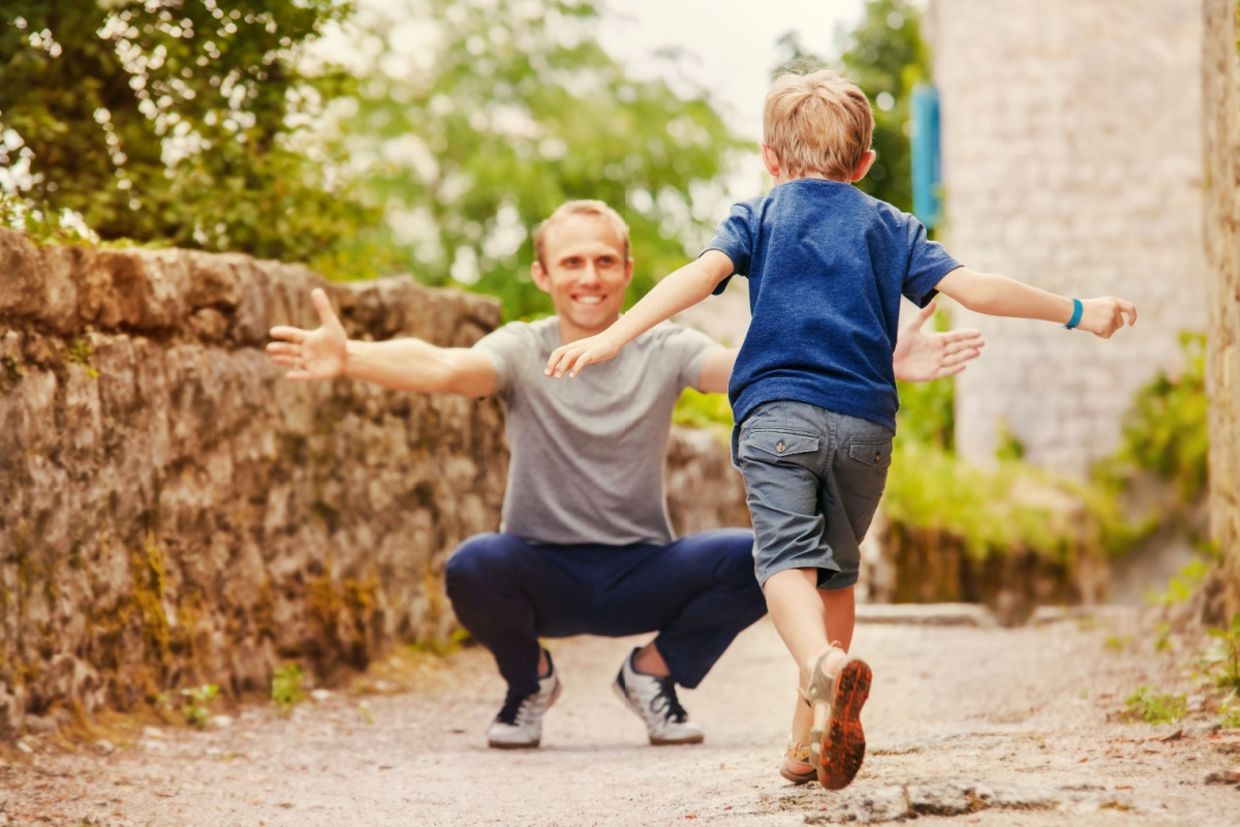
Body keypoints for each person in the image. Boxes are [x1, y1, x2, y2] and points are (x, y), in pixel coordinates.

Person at [546, 71, 1137, 789]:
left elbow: (699, 279)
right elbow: (977, 288)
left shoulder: (759, 215)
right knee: (836, 570)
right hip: (865, 427)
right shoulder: (890, 224)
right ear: (863, 164)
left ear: (770, 157)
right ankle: (808, 737)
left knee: (784, 562)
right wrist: (1080, 309)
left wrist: (618, 336)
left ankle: (825, 670)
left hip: (778, 418)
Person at [267, 198, 985, 752]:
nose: (590, 277)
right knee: (473, 564)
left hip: (641, 570)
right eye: (572, 262)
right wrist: (352, 356)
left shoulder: (664, 346)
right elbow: (445, 368)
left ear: (627, 272)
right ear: (543, 275)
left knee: (765, 557)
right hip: (540, 569)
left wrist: (874, 363)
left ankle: (652, 672)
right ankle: (529, 685)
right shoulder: (522, 349)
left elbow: (760, 371)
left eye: (605, 261)